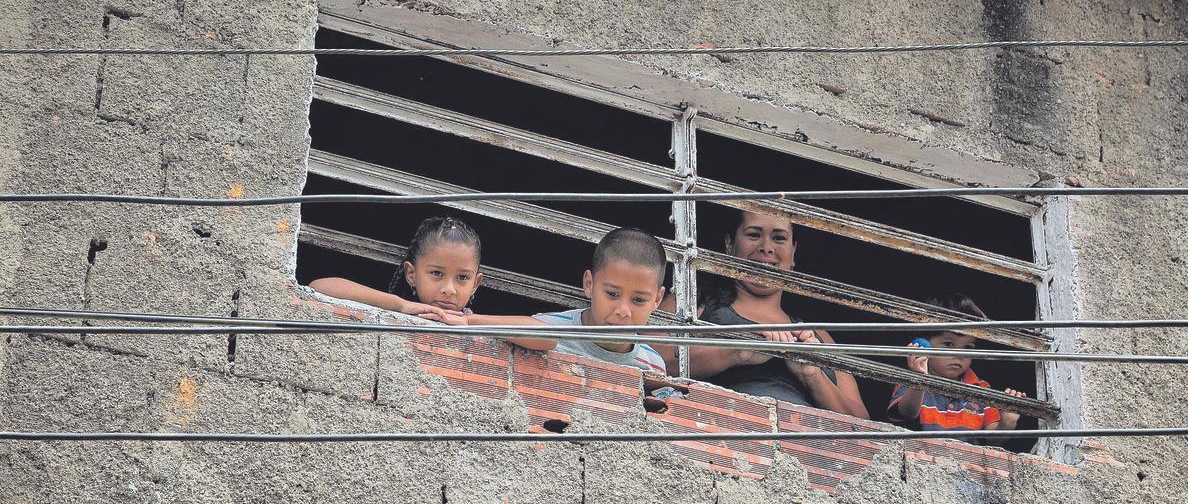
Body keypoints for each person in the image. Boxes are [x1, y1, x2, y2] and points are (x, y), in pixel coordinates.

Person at [659, 211, 868, 418]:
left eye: (779, 238)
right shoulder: (693, 303)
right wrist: (740, 350)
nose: (766, 248)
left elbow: (864, 425)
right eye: (754, 235)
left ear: (793, 252)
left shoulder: (816, 335)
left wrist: (812, 375)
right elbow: (646, 365)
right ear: (729, 244)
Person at [308, 216, 555, 351]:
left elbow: (549, 337)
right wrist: (399, 306)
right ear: (411, 275)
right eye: (436, 273)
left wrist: (471, 322)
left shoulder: (471, 321)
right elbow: (321, 287)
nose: (449, 289)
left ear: (476, 284)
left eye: (462, 278)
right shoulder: (396, 309)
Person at [463, 227, 668, 373]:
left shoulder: (653, 365)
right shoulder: (542, 329)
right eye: (612, 294)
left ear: (657, 299)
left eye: (639, 300)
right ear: (589, 284)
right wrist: (466, 321)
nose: (623, 310)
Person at [887, 293, 1025, 442]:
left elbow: (993, 440)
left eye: (968, 347)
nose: (959, 354)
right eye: (948, 344)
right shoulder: (911, 380)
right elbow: (908, 412)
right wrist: (919, 379)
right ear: (924, 344)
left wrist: (1007, 422)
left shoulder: (982, 389)